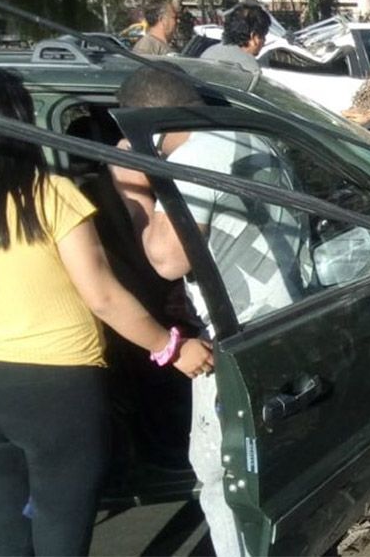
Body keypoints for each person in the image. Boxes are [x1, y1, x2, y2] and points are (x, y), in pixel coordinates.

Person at [0, 67, 213, 557]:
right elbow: (102, 294)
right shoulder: (51, 195)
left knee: (6, 531)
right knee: (60, 531)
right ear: (17, 125)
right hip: (55, 391)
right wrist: (171, 347)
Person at [111, 65, 305, 557]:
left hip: (238, 340)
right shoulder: (243, 135)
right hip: (289, 315)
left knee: (223, 473)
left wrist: (130, 185)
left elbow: (165, 259)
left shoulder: (194, 160)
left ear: (145, 125)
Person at [200, 2, 270, 73]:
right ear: (254, 37)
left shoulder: (208, 53)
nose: (264, 42)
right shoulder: (250, 69)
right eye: (263, 36)